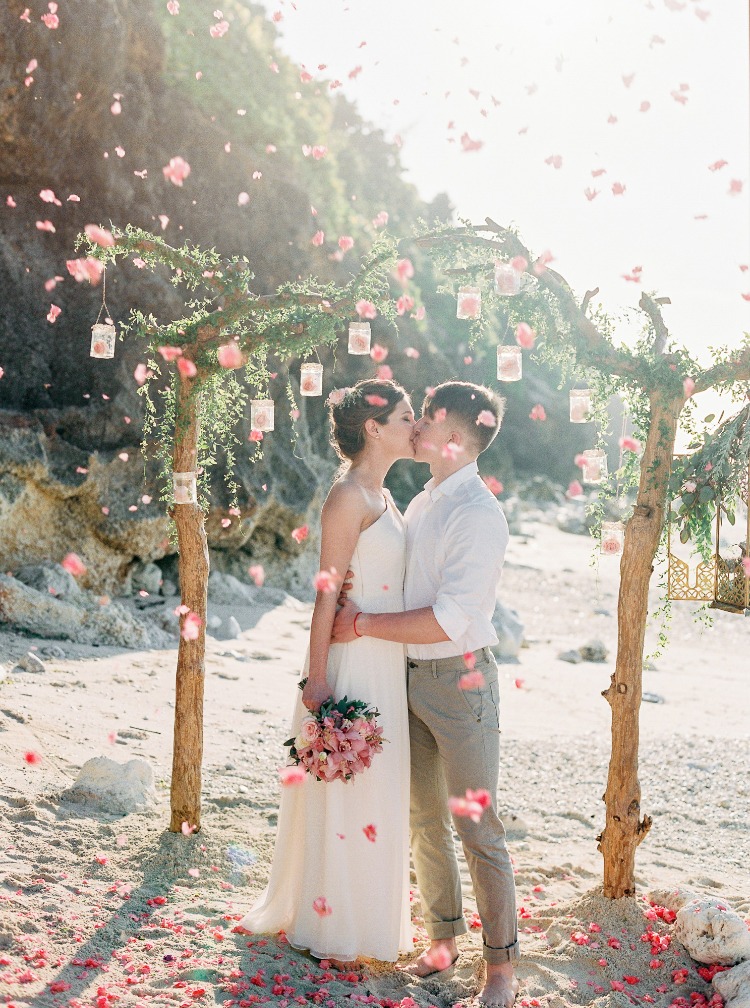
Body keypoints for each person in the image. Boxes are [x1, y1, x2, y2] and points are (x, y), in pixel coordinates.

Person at [332, 380, 519, 1008]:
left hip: (461, 681)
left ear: (456, 439)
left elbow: (449, 618)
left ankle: (500, 967)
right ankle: (443, 940)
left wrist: (360, 625)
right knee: (423, 821)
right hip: (407, 677)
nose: (416, 426)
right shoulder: (421, 499)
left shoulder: (478, 514)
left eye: (428, 419)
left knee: (476, 828)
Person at [233, 378, 416, 969]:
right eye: (407, 415)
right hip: (349, 661)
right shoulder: (347, 498)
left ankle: (371, 919)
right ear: (374, 427)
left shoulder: (385, 496)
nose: (416, 425)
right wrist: (317, 679)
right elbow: (325, 593)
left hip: (382, 654)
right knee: (349, 789)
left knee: (381, 788)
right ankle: (336, 922)